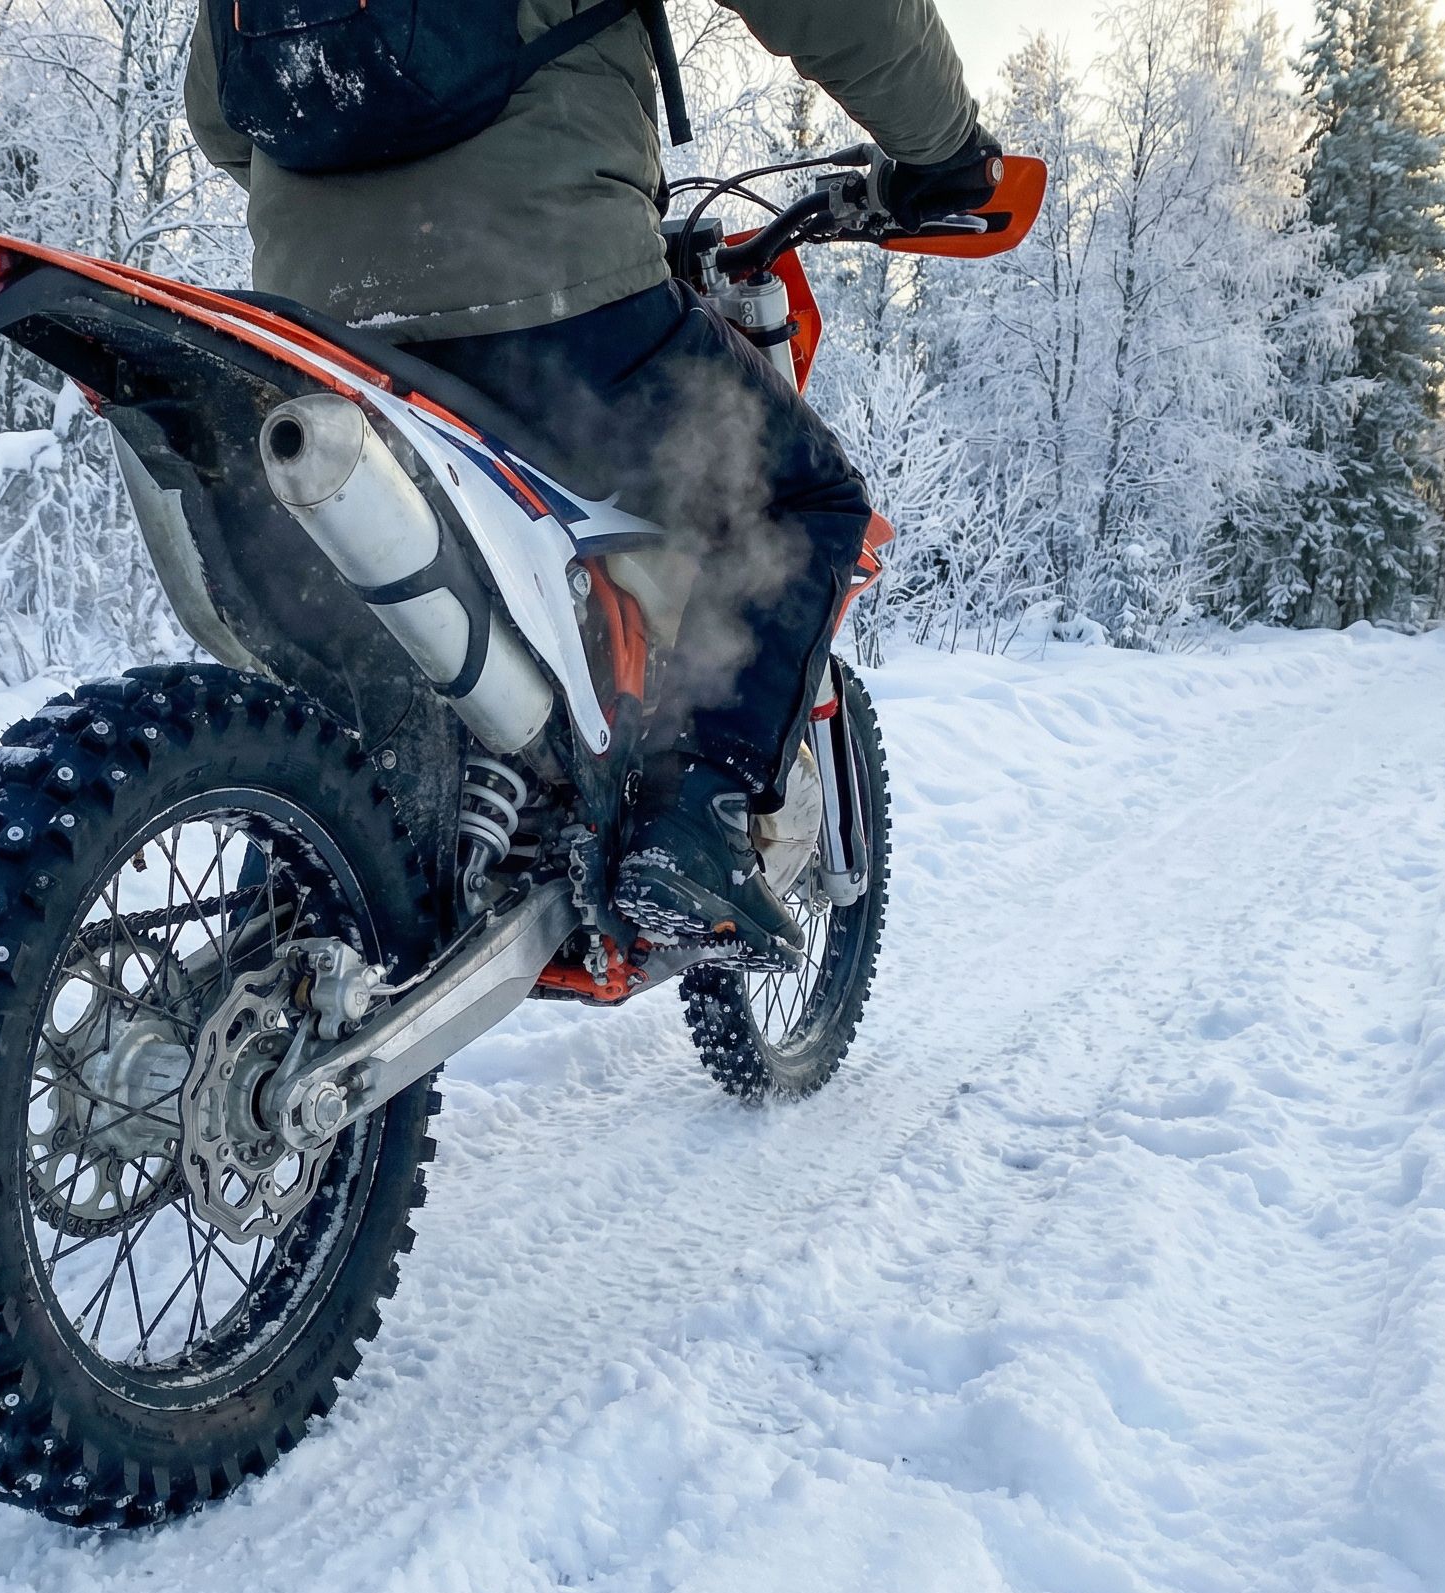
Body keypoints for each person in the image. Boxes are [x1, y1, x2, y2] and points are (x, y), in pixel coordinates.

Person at [185, 0, 1000, 965]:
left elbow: (217, 115)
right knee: (802, 500)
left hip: (319, 324)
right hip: (554, 294)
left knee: (345, 646)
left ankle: (297, 877)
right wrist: (944, 148)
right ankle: (689, 826)